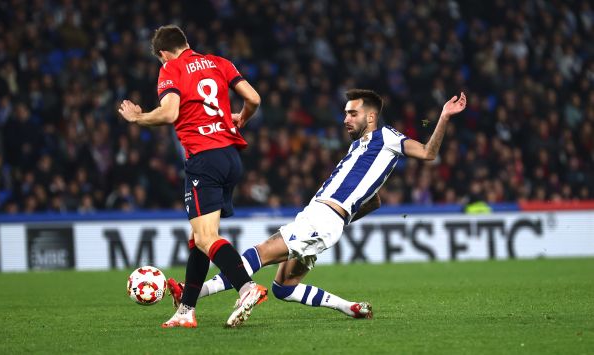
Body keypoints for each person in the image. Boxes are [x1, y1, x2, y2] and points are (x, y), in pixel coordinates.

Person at [167, 89, 467, 319]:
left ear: (371, 117)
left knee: (259, 253)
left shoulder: (387, 137)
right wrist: (342, 218)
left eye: (352, 113)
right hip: (326, 220)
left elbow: (428, 153)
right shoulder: (358, 147)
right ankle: (349, 307)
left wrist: (443, 117)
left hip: (322, 217)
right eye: (345, 113)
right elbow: (373, 201)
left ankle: (193, 294)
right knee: (283, 287)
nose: (345, 118)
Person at [118, 25, 267, 329]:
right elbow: (254, 98)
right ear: (185, 42)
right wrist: (240, 119)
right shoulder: (218, 62)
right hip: (230, 156)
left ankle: (246, 286)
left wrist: (138, 118)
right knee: (197, 239)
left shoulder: (171, 68)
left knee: (205, 238)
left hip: (204, 157)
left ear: (162, 54)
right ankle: (186, 310)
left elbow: (170, 113)